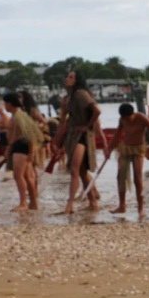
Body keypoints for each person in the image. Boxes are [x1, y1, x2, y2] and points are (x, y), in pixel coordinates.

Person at [52, 71, 101, 214]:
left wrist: (88, 126)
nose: (67, 78)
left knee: (74, 169)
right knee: (81, 171)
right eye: (67, 76)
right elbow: (63, 122)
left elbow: (97, 111)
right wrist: (57, 140)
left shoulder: (80, 94)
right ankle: (93, 202)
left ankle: (69, 205)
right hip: (73, 135)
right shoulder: (69, 97)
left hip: (82, 136)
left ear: (77, 80)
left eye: (71, 77)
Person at [105, 104, 149, 217]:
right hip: (125, 148)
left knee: (138, 179)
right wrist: (109, 149)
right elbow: (117, 134)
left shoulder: (141, 117)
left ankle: (141, 208)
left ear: (132, 114)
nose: (126, 120)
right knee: (120, 177)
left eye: (127, 118)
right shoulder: (122, 119)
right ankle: (122, 206)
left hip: (138, 149)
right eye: (123, 118)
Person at [2, 93, 42, 211]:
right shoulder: (20, 115)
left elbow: (28, 135)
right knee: (27, 176)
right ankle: (33, 203)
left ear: (9, 104)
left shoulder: (18, 116)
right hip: (21, 147)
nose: (4, 106)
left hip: (21, 147)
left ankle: (23, 202)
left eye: (5, 103)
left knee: (18, 176)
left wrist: (31, 152)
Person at [20, 90, 50, 169]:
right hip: (22, 137)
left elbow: (43, 121)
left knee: (32, 161)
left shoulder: (32, 110)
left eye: (20, 97)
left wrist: (35, 128)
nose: (18, 99)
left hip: (31, 138)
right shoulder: (20, 110)